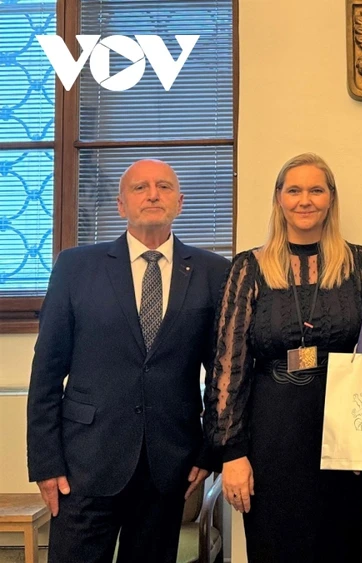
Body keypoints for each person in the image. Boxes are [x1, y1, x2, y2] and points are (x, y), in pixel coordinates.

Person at [26, 159, 230, 563]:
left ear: (180, 202)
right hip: (84, 464)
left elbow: (224, 369)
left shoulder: (213, 271)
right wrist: (45, 462)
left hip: (169, 464)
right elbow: (47, 371)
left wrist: (211, 450)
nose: (153, 194)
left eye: (164, 187)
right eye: (140, 188)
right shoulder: (76, 267)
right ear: (121, 204)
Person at [203, 153, 362, 562]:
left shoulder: (358, 263)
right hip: (272, 437)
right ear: (279, 199)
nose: (305, 200)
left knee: (340, 547)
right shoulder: (249, 267)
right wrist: (231, 452)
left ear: (331, 199)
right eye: (294, 190)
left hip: (344, 436)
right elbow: (228, 364)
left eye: (316, 190)